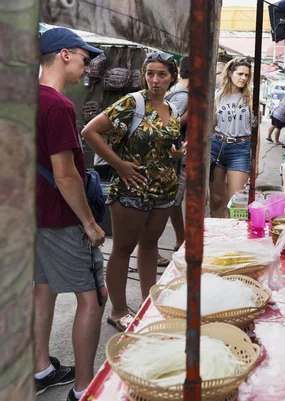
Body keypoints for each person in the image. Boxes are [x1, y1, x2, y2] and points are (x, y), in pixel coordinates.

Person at [82, 51, 183, 332]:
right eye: (150, 73)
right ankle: (118, 310)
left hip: (163, 190)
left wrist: (175, 154)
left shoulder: (172, 109)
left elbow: (165, 146)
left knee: (150, 247)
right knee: (123, 249)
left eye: (162, 74)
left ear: (172, 77)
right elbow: (90, 132)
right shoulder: (133, 102)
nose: (155, 80)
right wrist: (120, 165)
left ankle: (149, 303)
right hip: (131, 189)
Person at [35, 27, 106, 401]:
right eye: (84, 58)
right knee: (92, 299)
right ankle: (84, 390)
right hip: (62, 218)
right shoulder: (58, 105)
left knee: (42, 289)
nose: (87, 67)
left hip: (30, 216)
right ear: (64, 54)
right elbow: (65, 174)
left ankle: (40, 368)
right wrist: (90, 223)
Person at [210, 57, 257, 217]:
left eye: (246, 75)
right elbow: (212, 124)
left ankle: (235, 238)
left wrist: (254, 162)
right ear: (230, 73)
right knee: (216, 199)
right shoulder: (218, 96)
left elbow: (255, 132)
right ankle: (218, 236)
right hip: (217, 146)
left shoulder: (251, 99)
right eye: (240, 74)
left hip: (240, 149)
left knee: (237, 202)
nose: (243, 78)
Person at [165, 56, 190, 252]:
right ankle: (181, 239)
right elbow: (171, 125)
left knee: (174, 201)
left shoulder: (178, 92)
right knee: (172, 201)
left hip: (178, 155)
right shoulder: (183, 96)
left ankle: (181, 239)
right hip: (178, 156)